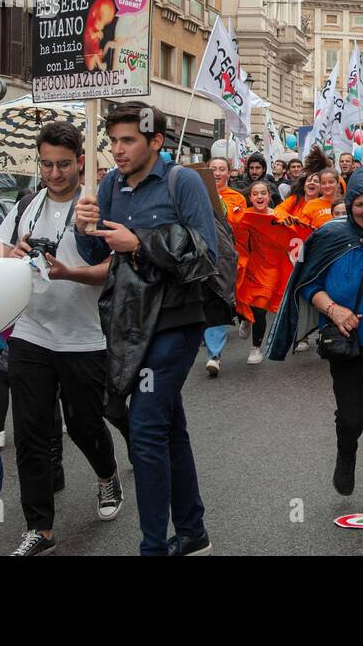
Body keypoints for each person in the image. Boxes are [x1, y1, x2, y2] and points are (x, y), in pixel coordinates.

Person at [74, 103, 225, 557]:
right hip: (129, 321)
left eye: (128, 141)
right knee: (166, 427)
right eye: (113, 141)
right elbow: (91, 252)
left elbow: (206, 256)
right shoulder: (109, 184)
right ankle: (194, 534)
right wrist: (84, 226)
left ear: (155, 142)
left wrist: (140, 244)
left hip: (176, 321)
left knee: (143, 429)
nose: (117, 150)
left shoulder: (183, 182)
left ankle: (152, 547)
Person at [0, 121, 121, 557]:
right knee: (30, 431)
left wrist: (71, 273)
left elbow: (115, 271)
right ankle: (40, 529)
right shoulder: (27, 204)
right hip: (31, 332)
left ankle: (107, 475)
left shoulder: (97, 207)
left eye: (64, 164)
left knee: (84, 424)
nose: (54, 173)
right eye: (46, 164)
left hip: (84, 336)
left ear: (80, 162)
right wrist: (8, 255)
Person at [269, 167, 363, 520]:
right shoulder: (328, 235)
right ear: (349, 205)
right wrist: (334, 311)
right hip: (343, 338)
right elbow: (306, 283)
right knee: (351, 417)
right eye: (360, 205)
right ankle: (346, 452)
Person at [235, 180, 302, 364]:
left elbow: (295, 236)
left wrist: (293, 224)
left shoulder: (279, 216)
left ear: (269, 195)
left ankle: (255, 348)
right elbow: (235, 235)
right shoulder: (245, 216)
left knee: (260, 308)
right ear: (250, 197)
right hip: (250, 266)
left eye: (263, 193)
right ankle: (245, 318)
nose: (259, 196)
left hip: (272, 270)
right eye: (255, 193)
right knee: (241, 300)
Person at [205, 156, 249, 372]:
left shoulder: (237, 198)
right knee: (211, 299)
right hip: (203, 255)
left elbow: (239, 227)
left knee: (224, 296)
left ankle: (244, 314)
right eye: (213, 169)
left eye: (222, 169)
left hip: (228, 256)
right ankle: (214, 354)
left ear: (229, 173)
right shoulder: (197, 195)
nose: (217, 173)